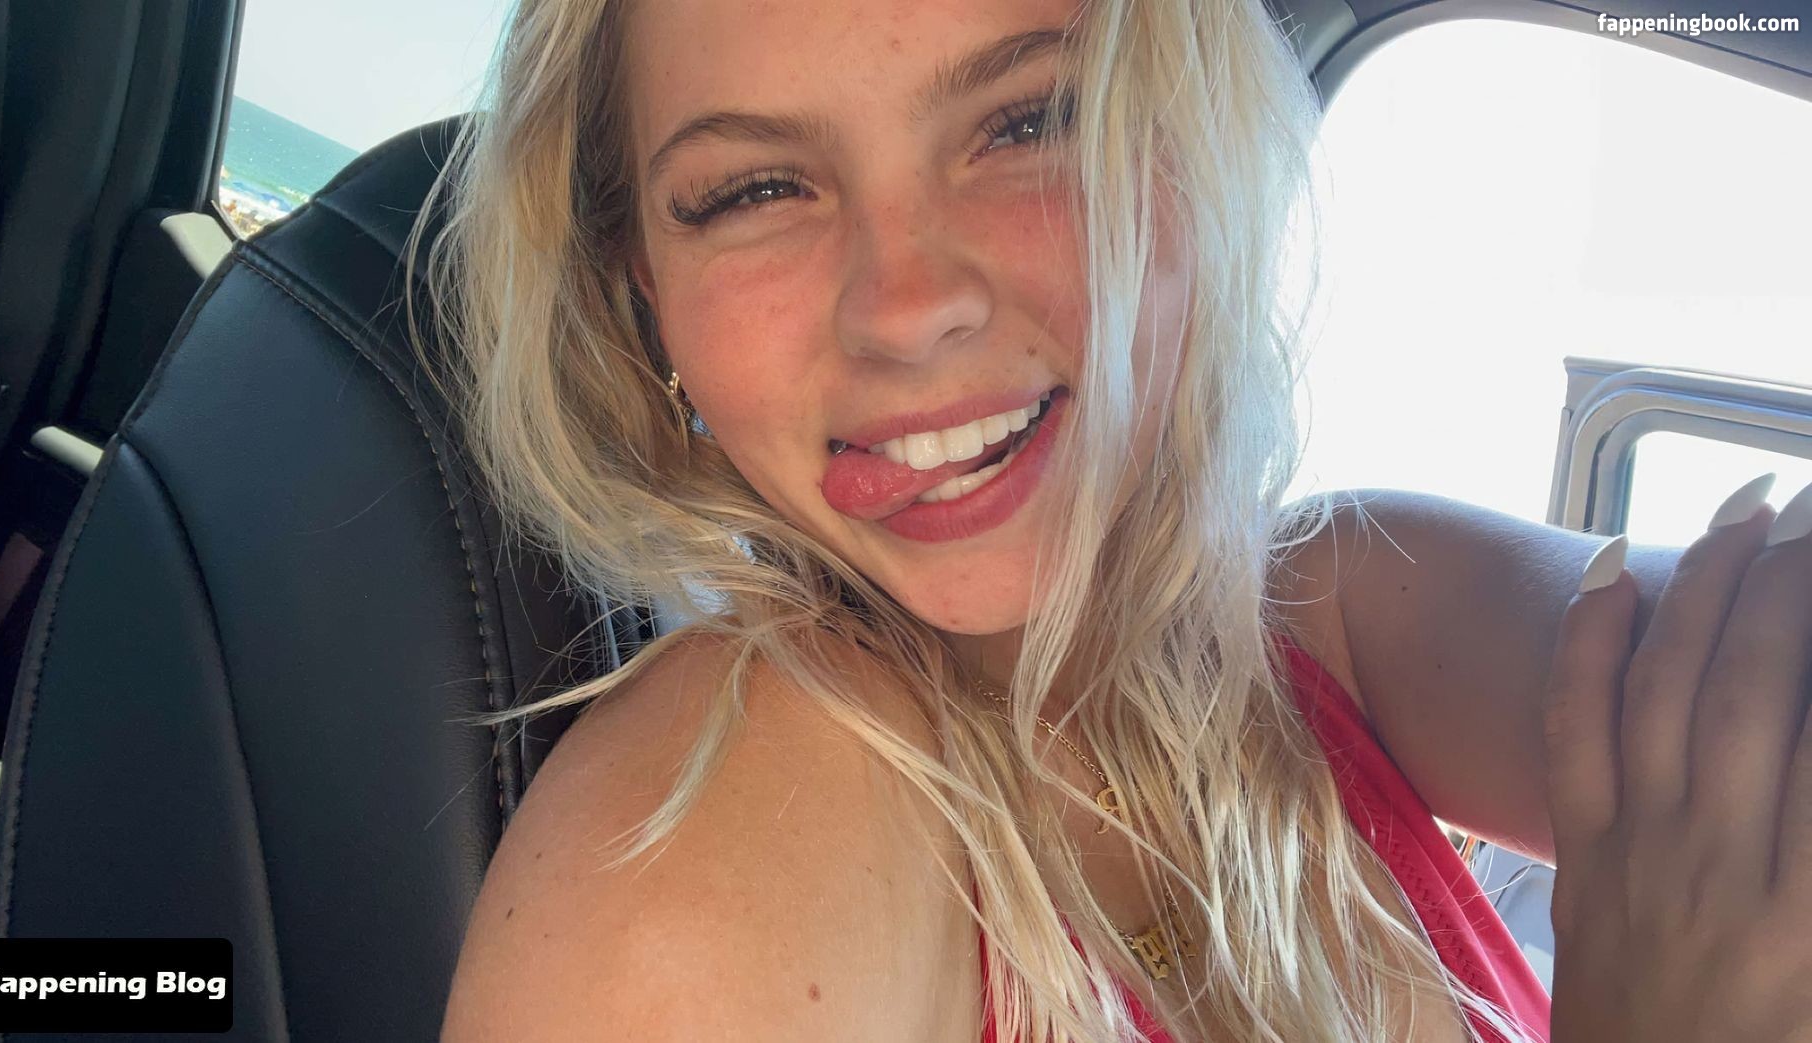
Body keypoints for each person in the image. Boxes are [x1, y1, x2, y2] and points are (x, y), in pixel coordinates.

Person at [420, 0, 1812, 1038]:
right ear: (644, 292)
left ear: (1192, 147)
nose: (907, 307)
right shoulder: (714, 830)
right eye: (754, 191)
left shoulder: (1336, 605)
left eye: (1028, 121)